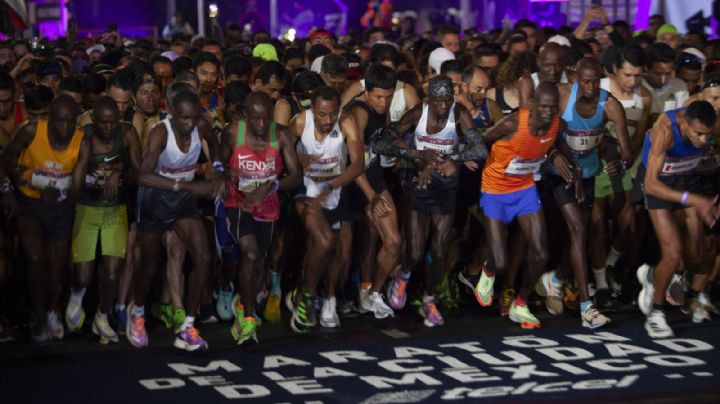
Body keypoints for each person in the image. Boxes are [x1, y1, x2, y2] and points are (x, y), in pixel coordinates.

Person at [375, 76, 488, 327]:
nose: (444, 106)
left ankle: (429, 299)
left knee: (439, 250)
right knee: (415, 250)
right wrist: (416, 153)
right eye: (439, 102)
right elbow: (382, 144)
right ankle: (403, 274)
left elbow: (480, 149)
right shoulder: (417, 114)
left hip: (446, 188)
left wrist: (453, 158)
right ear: (430, 100)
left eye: (448, 100)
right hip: (420, 185)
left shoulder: (458, 113)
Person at [537, 57, 631, 328]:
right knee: (578, 231)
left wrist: (621, 163)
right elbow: (545, 132)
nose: (589, 87)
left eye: (594, 82)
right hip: (561, 174)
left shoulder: (610, 104)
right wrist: (554, 154)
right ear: (577, 79)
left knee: (579, 234)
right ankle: (586, 306)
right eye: (585, 81)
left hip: (588, 174)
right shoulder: (564, 95)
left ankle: (555, 279)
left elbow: (626, 151)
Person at [127, 90, 223, 352]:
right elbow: (143, 176)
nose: (189, 124)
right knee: (149, 264)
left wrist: (217, 167)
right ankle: (136, 312)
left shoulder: (200, 125)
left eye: (193, 118)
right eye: (183, 118)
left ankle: (188, 327)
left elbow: (215, 143)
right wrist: (187, 186)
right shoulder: (161, 132)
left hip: (181, 204)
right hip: (154, 202)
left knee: (203, 258)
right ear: (171, 112)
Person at [0, 95, 89, 345]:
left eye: (71, 121)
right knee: (36, 259)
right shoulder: (31, 131)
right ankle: (37, 316)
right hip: (29, 204)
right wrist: (13, 187)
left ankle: (50, 309)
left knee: (57, 270)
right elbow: (6, 159)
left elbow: (76, 187)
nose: (65, 127)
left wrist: (55, 187)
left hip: (60, 207)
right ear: (49, 118)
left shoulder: (82, 141)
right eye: (60, 121)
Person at [477, 82, 565, 328]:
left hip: (524, 188)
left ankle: (521, 303)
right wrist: (493, 163)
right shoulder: (515, 122)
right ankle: (488, 271)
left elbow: (557, 142)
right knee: (500, 259)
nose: (548, 112)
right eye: (544, 107)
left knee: (541, 252)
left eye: (553, 108)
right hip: (495, 188)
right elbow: (484, 139)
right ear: (534, 105)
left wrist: (559, 156)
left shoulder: (556, 124)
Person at [220, 92, 301, 344]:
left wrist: (270, 187)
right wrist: (224, 173)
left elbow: (296, 176)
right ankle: (249, 319)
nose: (262, 125)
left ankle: (242, 306)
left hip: (268, 205)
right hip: (239, 203)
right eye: (256, 119)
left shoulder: (282, 134)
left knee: (259, 261)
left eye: (267, 119)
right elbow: (217, 163)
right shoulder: (233, 133)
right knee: (251, 254)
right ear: (246, 117)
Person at [634, 100, 719, 338]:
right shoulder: (666, 129)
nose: (703, 140)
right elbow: (650, 185)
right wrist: (695, 199)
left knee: (693, 257)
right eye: (698, 134)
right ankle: (656, 314)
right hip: (659, 183)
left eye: (708, 134)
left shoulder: (713, 123)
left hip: (687, 179)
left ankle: (653, 275)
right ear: (684, 122)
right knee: (672, 254)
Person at [287, 86, 366, 332]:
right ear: (313, 110)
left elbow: (358, 165)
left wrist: (330, 187)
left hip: (334, 191)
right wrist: (298, 160)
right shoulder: (300, 122)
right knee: (324, 242)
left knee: (332, 250)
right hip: (307, 191)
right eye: (322, 114)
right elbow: (280, 150)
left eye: (332, 114)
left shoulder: (346, 122)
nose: (327, 120)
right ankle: (308, 299)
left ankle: (306, 294)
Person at [64, 97, 142, 344]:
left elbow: (140, 172)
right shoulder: (81, 137)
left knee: (112, 273)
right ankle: (76, 297)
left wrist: (119, 172)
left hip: (114, 209)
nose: (109, 128)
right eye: (104, 123)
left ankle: (101, 315)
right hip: (86, 208)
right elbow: (69, 174)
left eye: (113, 123)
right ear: (93, 121)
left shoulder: (127, 134)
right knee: (83, 276)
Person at [590, 44, 652, 307]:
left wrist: (624, 162)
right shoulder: (597, 89)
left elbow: (637, 139)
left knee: (629, 225)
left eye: (638, 75)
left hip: (625, 166)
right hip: (593, 164)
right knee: (598, 224)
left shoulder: (645, 98)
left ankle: (612, 265)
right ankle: (601, 284)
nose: (633, 81)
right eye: (628, 75)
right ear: (615, 70)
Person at [346, 64, 402, 319]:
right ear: (366, 92)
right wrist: (372, 197)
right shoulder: (358, 112)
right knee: (342, 250)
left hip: (374, 175)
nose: (383, 102)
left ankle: (374, 295)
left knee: (393, 242)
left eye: (389, 97)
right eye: (378, 96)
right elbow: (354, 161)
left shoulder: (383, 110)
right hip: (348, 180)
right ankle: (329, 299)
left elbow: (380, 143)